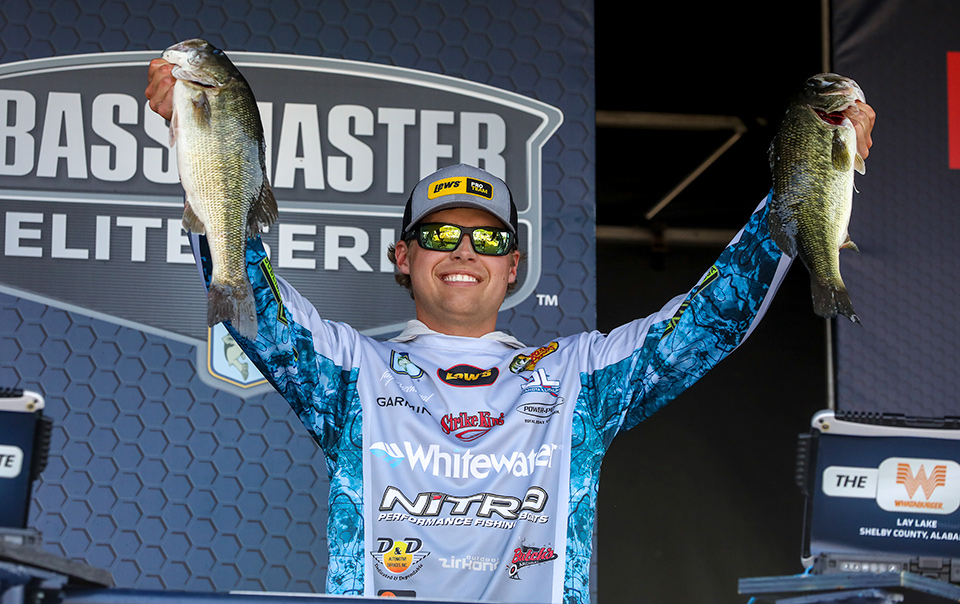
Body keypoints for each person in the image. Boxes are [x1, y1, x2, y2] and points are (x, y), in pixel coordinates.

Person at [146, 59, 875, 603]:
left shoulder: (578, 378)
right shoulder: (349, 372)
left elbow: (713, 318)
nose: (465, 252)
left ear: (514, 265)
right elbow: (253, 306)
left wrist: (808, 179)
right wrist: (199, 142)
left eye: (489, 239)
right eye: (440, 235)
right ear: (403, 257)